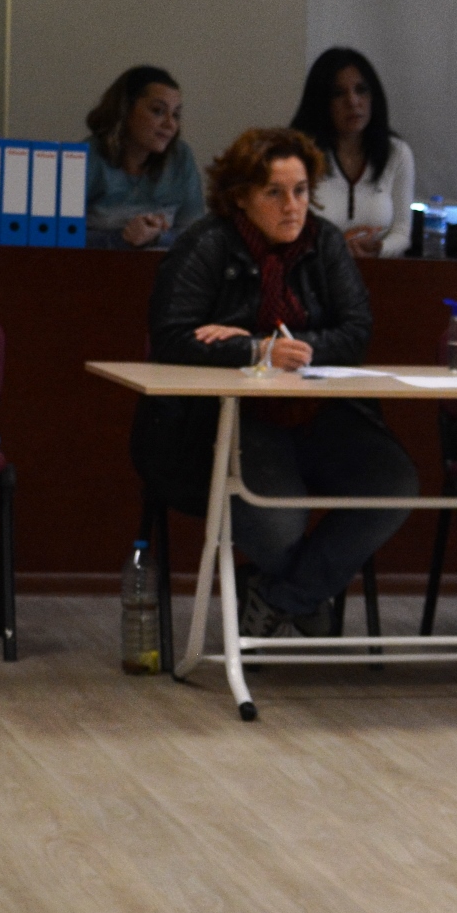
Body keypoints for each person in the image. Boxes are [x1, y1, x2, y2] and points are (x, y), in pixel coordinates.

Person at [131, 127, 419, 640]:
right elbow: (172, 337)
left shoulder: (324, 241)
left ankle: (281, 595)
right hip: (229, 420)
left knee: (392, 482)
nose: (292, 206)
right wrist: (255, 351)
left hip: (319, 412)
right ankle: (302, 593)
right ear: (241, 197)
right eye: (275, 193)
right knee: (277, 522)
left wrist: (281, 346)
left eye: (301, 191)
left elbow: (356, 333)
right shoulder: (206, 244)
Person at [290, 47, 414, 258]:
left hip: (379, 269)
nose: (353, 101)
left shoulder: (397, 153)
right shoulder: (298, 154)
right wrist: (337, 247)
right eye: (338, 93)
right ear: (321, 101)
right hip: (314, 270)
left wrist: (378, 248)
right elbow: (284, 231)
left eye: (361, 90)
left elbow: (402, 232)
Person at [82, 65, 205, 248]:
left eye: (176, 115)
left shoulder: (180, 157)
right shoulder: (85, 158)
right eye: (158, 111)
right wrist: (122, 238)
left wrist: (156, 237)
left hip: (163, 265)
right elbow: (58, 236)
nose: (170, 124)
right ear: (125, 109)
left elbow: (196, 235)